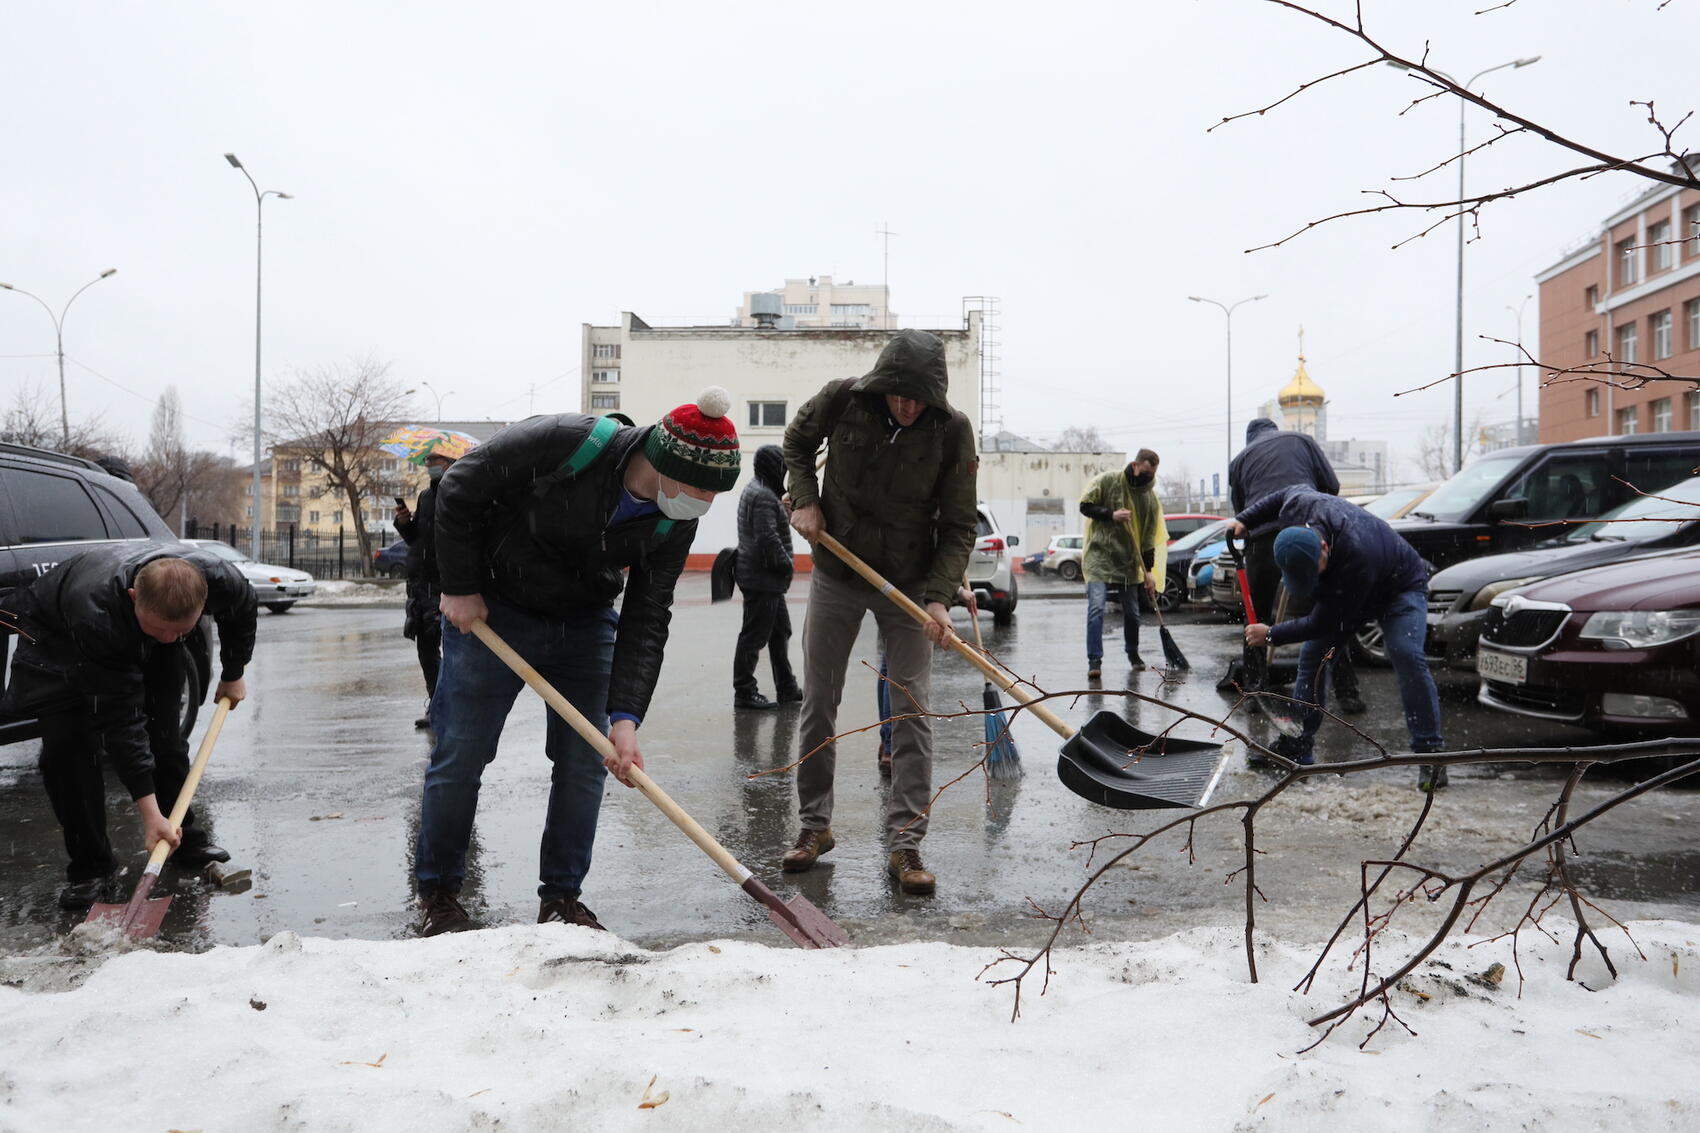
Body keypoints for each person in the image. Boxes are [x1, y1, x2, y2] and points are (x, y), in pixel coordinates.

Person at [414, 390, 741, 937]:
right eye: (701, 488)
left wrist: (626, 716)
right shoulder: (566, 441)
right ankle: (441, 893)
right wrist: (459, 586)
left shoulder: (673, 519)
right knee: (460, 755)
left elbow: (648, 613)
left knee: (589, 760)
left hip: (585, 624)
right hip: (492, 612)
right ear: (662, 465)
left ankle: (562, 899)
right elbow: (460, 487)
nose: (705, 502)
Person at [781, 329, 978, 896]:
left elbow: (960, 523)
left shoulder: (953, 430)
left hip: (909, 585)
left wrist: (938, 596)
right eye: (897, 395)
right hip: (839, 571)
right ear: (881, 385)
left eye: (917, 399)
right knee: (819, 701)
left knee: (911, 709)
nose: (906, 406)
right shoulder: (843, 399)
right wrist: (807, 498)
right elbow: (795, 446)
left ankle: (906, 844)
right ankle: (814, 827)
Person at [1, 546, 256, 908]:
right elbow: (120, 722)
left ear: (204, 602)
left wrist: (234, 673)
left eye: (177, 631)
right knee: (69, 753)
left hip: (128, 629)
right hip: (56, 644)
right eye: (159, 629)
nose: (168, 638)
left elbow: (242, 612)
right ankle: (91, 868)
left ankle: (183, 838)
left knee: (165, 738)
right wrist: (148, 815)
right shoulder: (96, 614)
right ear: (134, 597)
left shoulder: (220, 580)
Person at [1228, 485, 1446, 790]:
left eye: (1314, 573)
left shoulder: (1356, 556)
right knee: (1312, 659)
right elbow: (1283, 492)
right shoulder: (1301, 506)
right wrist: (1246, 518)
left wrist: (1272, 635)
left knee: (1406, 653)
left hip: (1399, 586)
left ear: (1324, 548)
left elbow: (1321, 623)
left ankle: (1430, 754)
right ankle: (1299, 748)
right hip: (1351, 587)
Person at [1227, 418, 1362, 715]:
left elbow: (1241, 513)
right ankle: (1348, 694)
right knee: (1330, 610)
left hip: (1262, 537)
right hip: (1307, 532)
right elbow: (1331, 487)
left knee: (1256, 616)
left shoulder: (1240, 460)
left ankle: (1254, 690)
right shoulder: (1302, 440)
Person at [394, 445, 470, 729]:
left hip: (446, 583)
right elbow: (417, 539)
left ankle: (452, 706)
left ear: (451, 463)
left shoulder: (460, 493)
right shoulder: (426, 496)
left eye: (434, 460)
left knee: (453, 649)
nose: (429, 464)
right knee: (426, 649)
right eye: (427, 460)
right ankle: (436, 703)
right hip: (420, 584)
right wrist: (404, 524)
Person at [1078, 449, 1167, 678]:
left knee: (1133, 613)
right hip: (1100, 555)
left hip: (1128, 560)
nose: (1148, 478)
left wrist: (1148, 572)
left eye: (1152, 474)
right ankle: (1094, 660)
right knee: (1096, 608)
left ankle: (1133, 653)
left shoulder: (1149, 499)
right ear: (1135, 465)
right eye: (1145, 472)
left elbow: (1147, 539)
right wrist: (1111, 514)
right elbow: (1085, 506)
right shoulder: (1107, 481)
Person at [732, 444, 801, 710]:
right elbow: (767, 538)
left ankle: (787, 687)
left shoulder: (760, 489)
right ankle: (744, 692)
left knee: (780, 631)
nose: (784, 473)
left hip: (763, 577)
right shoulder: (762, 495)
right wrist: (787, 565)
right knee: (754, 636)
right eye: (782, 467)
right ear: (773, 468)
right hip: (763, 578)